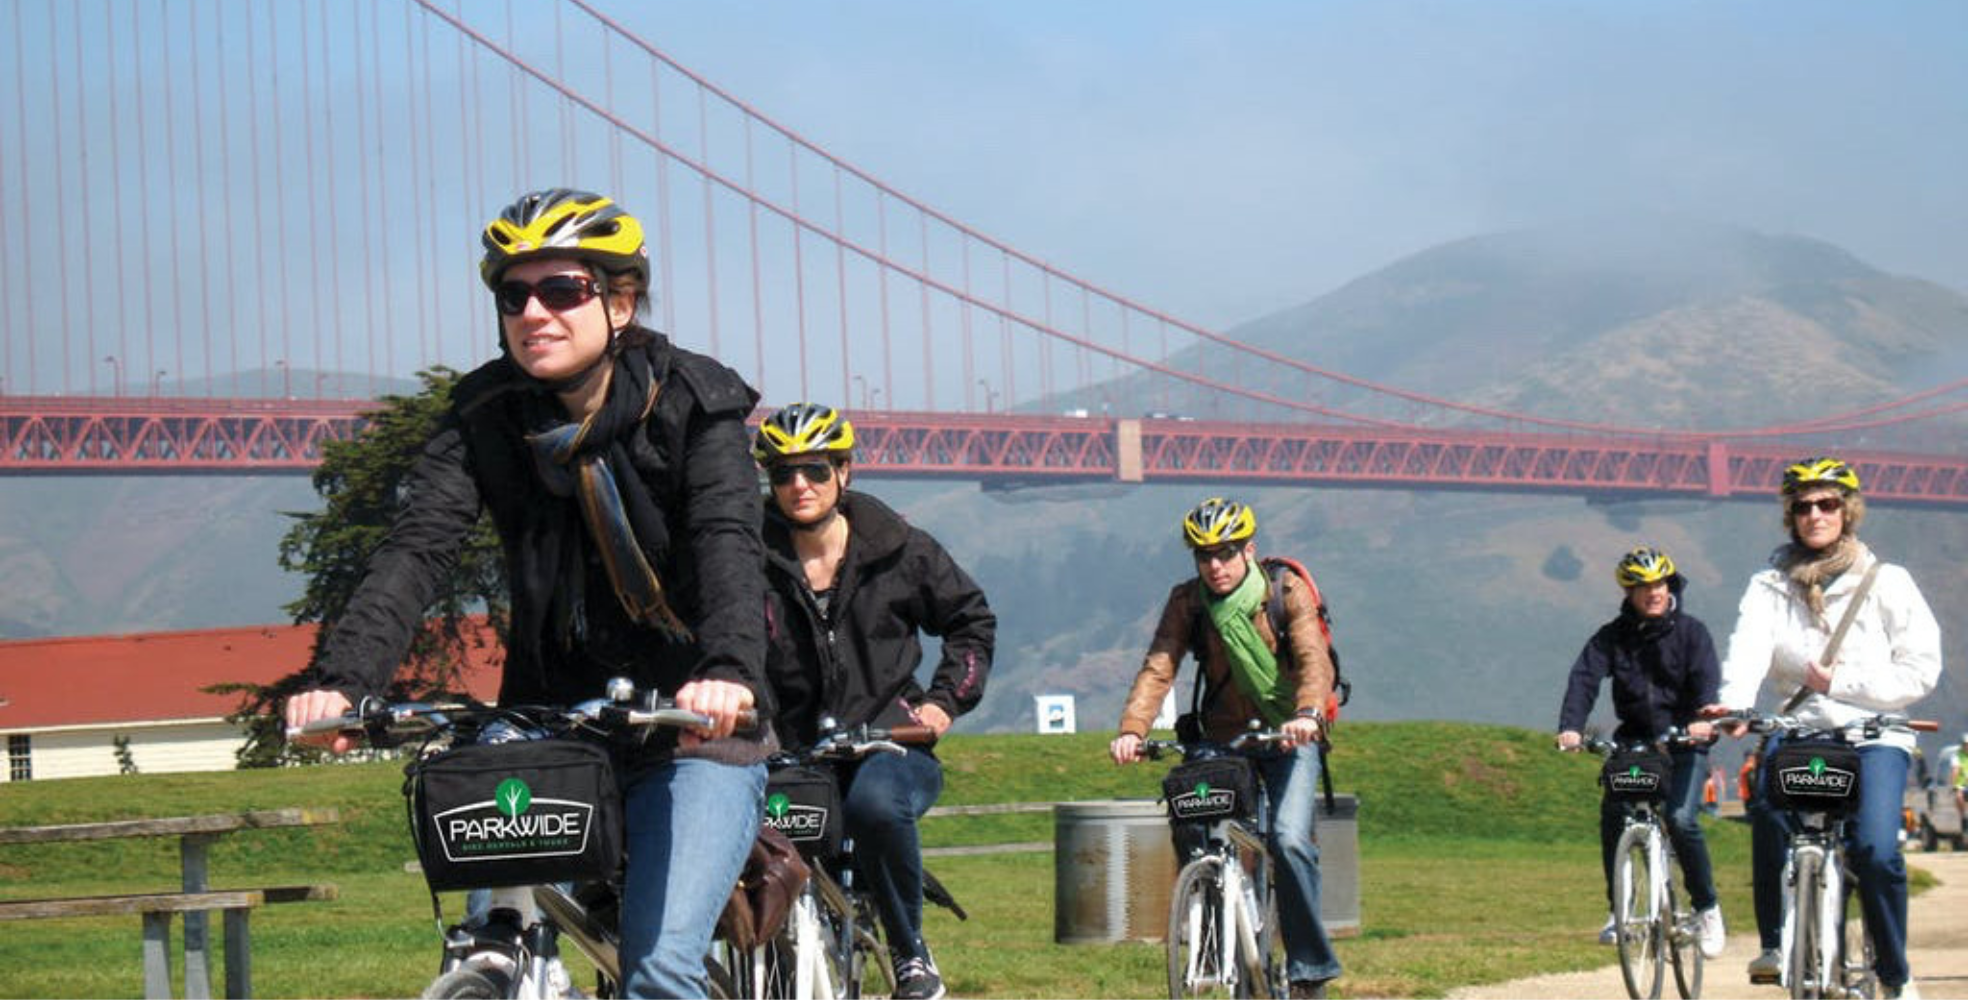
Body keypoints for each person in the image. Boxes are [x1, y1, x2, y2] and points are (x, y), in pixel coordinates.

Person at [283, 189, 772, 998]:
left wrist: (727, 670)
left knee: (657, 973)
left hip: (692, 728)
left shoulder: (695, 398)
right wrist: (344, 678)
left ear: (620, 301)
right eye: (513, 294)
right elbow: (419, 546)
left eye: (563, 291)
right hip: (550, 721)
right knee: (488, 946)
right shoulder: (486, 413)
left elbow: (728, 537)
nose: (533, 312)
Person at [753, 401, 996, 1000]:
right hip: (793, 749)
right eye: (782, 473)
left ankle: (911, 953)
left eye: (813, 469)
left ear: (844, 472)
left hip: (892, 742)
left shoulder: (901, 549)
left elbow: (971, 623)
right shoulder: (746, 556)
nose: (798, 485)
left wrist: (945, 703)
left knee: (877, 804)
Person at [1705, 457, 1942, 998]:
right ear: (1791, 516)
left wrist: (1843, 683)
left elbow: (1920, 669)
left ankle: (1894, 976)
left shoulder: (1887, 582)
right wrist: (1736, 704)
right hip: (1802, 731)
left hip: (1874, 734)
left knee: (1876, 851)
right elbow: (1749, 648)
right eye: (1803, 506)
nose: (1815, 514)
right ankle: (1779, 940)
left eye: (1827, 503)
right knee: (1767, 810)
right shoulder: (1769, 586)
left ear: (1848, 511)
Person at [1109, 497, 1343, 1000]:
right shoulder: (1187, 601)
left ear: (1249, 550)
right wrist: (1133, 727)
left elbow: (1312, 658)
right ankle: (1211, 935)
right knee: (1191, 820)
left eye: (1226, 552)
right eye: (1203, 555)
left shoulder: (1285, 591)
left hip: (1288, 734)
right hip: (1223, 738)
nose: (1215, 565)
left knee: (1288, 839)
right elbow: (1160, 664)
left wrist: (1307, 714)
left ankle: (1308, 967)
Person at [1556, 546, 1727, 959]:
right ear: (1628, 591)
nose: (1653, 592)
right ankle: (1620, 910)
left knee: (1681, 819)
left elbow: (1707, 680)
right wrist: (1571, 727)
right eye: (1643, 586)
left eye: (1659, 582)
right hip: (1634, 741)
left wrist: (1703, 718)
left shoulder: (1692, 633)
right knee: (1614, 816)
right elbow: (1584, 678)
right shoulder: (1612, 636)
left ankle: (1707, 908)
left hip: (1684, 740)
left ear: (1670, 584)